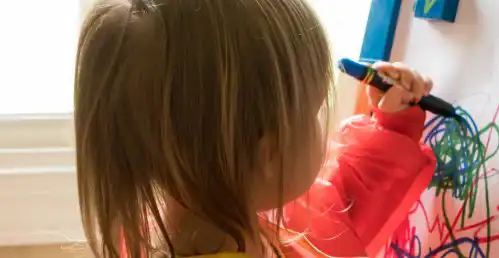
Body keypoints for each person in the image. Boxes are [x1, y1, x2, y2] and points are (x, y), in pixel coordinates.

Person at [73, 0, 436, 257]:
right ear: (271, 152)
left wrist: (391, 123)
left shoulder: (217, 202)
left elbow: (340, 213)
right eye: (312, 113)